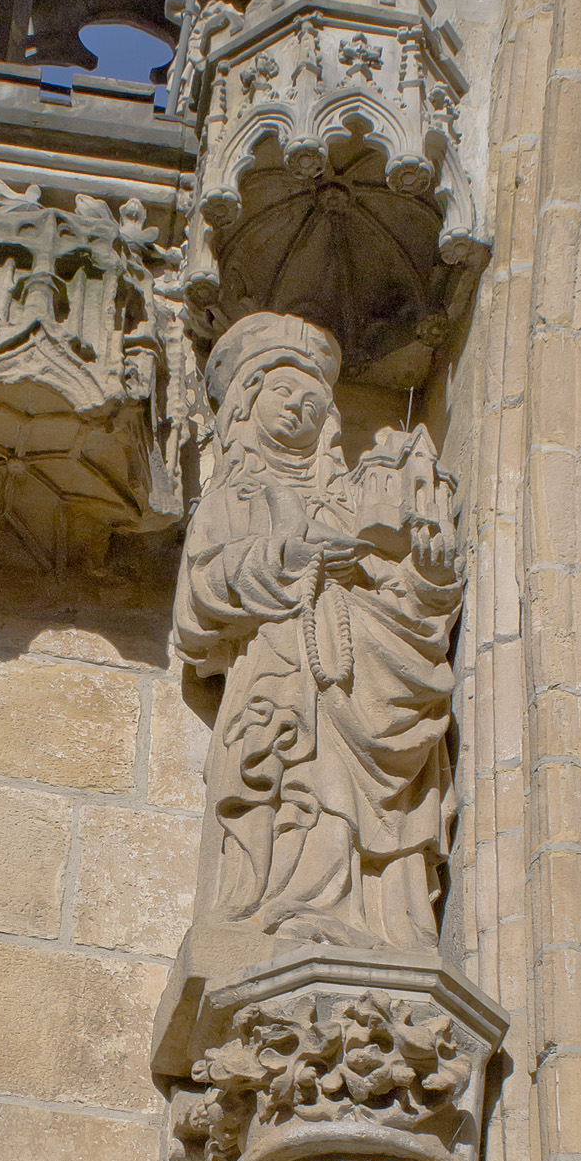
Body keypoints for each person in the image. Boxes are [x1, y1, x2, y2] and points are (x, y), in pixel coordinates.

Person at [174, 312, 462, 950]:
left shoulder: (352, 497)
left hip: (362, 673)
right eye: (282, 391)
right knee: (299, 777)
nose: (297, 408)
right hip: (281, 665)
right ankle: (285, 904)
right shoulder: (233, 497)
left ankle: (376, 921)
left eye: (312, 400)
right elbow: (197, 604)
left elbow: (402, 596)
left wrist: (430, 576)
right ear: (246, 404)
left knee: (346, 775)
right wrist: (287, 558)